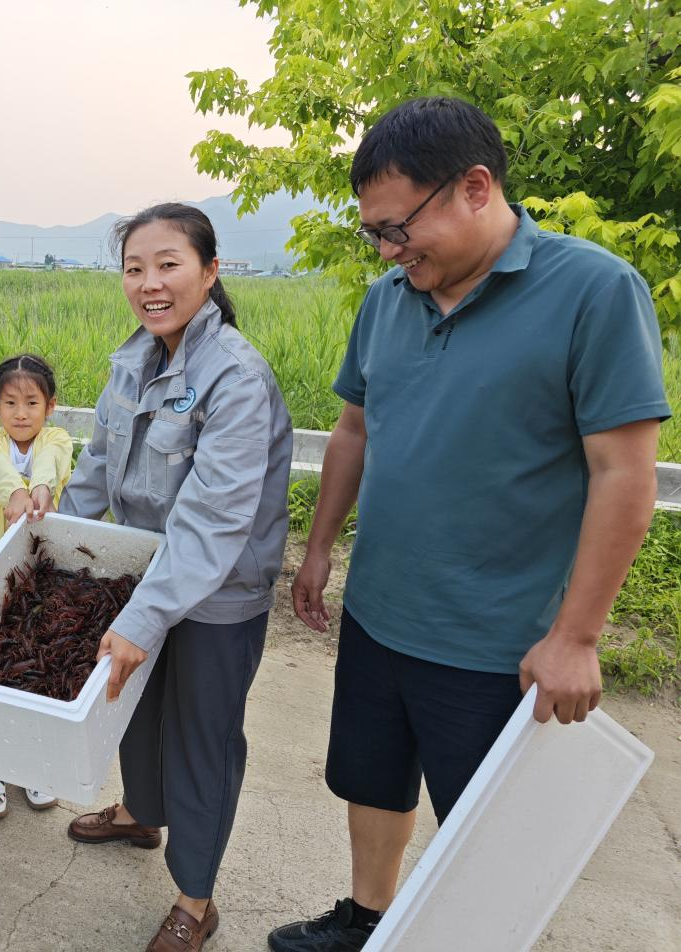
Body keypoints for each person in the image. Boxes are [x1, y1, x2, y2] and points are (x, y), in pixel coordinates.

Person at [268, 97, 671, 952]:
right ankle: (366, 921)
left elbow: (621, 473)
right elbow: (354, 429)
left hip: (497, 640)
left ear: (474, 187)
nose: (385, 250)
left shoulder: (593, 292)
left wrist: (577, 637)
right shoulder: (388, 298)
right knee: (371, 781)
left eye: (397, 228)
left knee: (487, 831)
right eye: (372, 233)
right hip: (381, 612)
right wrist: (316, 551)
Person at [59, 203, 293, 951]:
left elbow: (213, 522)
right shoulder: (134, 359)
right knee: (136, 709)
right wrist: (54, 545)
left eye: (168, 265)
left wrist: (140, 616)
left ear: (210, 271)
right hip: (142, 579)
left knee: (200, 737)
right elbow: (97, 469)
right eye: (134, 268)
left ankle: (196, 899)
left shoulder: (235, 378)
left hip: (216, 596)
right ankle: (138, 814)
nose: (149, 283)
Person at [0, 353, 74, 818]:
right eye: (10, 403)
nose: (20, 413)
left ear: (50, 406)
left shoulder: (57, 438)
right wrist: (16, 491)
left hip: (41, 578)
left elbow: (52, 460)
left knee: (35, 664)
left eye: (32, 402)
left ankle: (33, 763)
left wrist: (42, 487)